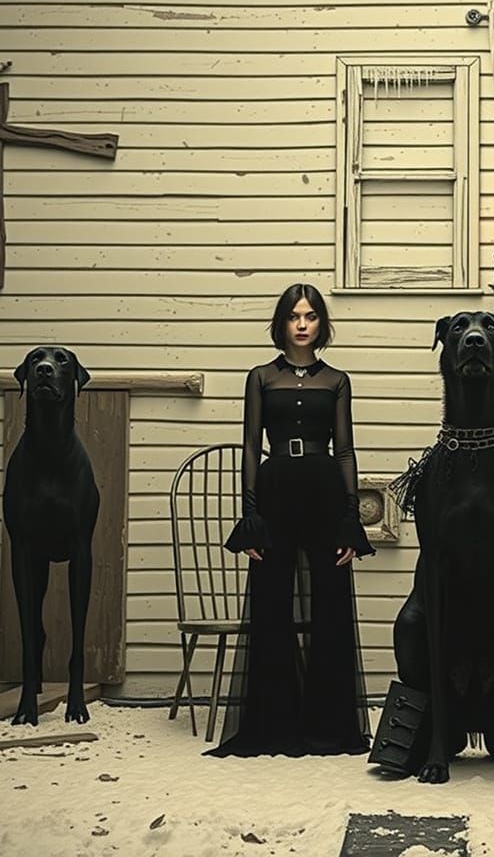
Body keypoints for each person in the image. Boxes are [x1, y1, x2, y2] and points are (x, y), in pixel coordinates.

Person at [206, 283, 375, 758]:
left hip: (323, 488)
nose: (302, 324)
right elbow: (249, 446)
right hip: (276, 486)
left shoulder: (337, 380)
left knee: (330, 606)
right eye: (294, 316)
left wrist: (349, 518)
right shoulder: (260, 377)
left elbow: (345, 450)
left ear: (322, 325)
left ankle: (329, 726)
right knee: (272, 606)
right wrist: (250, 516)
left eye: (311, 316)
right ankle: (274, 725)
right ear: (281, 324)